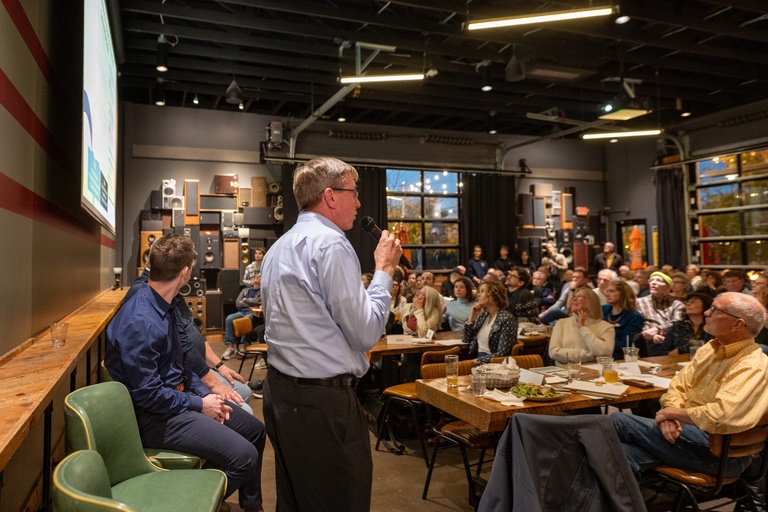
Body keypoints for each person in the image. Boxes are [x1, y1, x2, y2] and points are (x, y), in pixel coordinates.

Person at [260, 157, 402, 512]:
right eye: (353, 193)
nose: (357, 202)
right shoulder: (332, 245)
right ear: (330, 196)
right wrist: (383, 271)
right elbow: (366, 332)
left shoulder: (281, 246)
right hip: (322, 404)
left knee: (295, 500)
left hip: (281, 393)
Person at [106, 234, 266, 512]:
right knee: (244, 457)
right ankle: (192, 501)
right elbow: (148, 394)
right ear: (185, 272)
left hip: (177, 401)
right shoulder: (141, 321)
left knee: (255, 431)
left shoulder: (163, 303)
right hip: (156, 418)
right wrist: (201, 403)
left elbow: (179, 365)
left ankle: (251, 506)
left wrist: (204, 391)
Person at [611, 292, 768, 482]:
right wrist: (670, 414)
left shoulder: (751, 364)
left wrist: (672, 414)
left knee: (618, 420)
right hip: (691, 437)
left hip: (722, 455)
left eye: (715, 310)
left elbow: (722, 415)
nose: (707, 313)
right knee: (619, 455)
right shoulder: (710, 348)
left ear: (737, 324)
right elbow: (678, 385)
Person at [126, 264, 253, 413]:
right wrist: (211, 385)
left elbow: (193, 332)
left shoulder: (173, 292)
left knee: (245, 392)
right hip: (186, 377)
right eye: (191, 267)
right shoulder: (147, 293)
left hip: (196, 370)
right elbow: (182, 347)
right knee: (245, 410)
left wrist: (220, 366)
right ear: (184, 270)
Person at [549, 287, 615, 364]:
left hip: (594, 372)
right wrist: (586, 355)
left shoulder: (606, 327)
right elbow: (553, 352)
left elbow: (604, 352)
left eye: (579, 296)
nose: (574, 299)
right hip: (565, 372)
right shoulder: (561, 323)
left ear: (591, 302)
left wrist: (582, 327)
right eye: (573, 297)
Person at [462, 280, 518, 364]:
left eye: (482, 291)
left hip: (493, 364)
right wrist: (471, 318)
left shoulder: (507, 318)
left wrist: (478, 361)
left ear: (493, 295)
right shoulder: (483, 315)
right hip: (476, 359)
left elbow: (503, 353)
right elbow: (466, 339)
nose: (478, 295)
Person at [636, 271, 686, 357]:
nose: (654, 283)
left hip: (671, 340)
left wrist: (658, 329)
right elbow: (638, 323)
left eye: (659, 280)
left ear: (668, 287)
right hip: (647, 341)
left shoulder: (676, 304)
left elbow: (676, 323)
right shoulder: (639, 302)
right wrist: (652, 336)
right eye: (651, 280)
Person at [222, 273, 263, 360]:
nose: (257, 277)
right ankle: (230, 347)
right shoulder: (245, 290)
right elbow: (237, 303)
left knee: (246, 319)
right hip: (241, 311)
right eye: (256, 276)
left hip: (252, 313)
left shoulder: (262, 291)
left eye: (260, 276)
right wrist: (248, 302)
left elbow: (257, 301)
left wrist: (245, 300)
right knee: (229, 319)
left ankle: (245, 345)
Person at [602, 280, 644, 361]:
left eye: (612, 291)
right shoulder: (603, 310)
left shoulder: (634, 317)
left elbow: (624, 345)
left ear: (623, 294)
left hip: (620, 358)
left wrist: (602, 343)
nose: (607, 294)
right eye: (607, 291)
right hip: (600, 355)